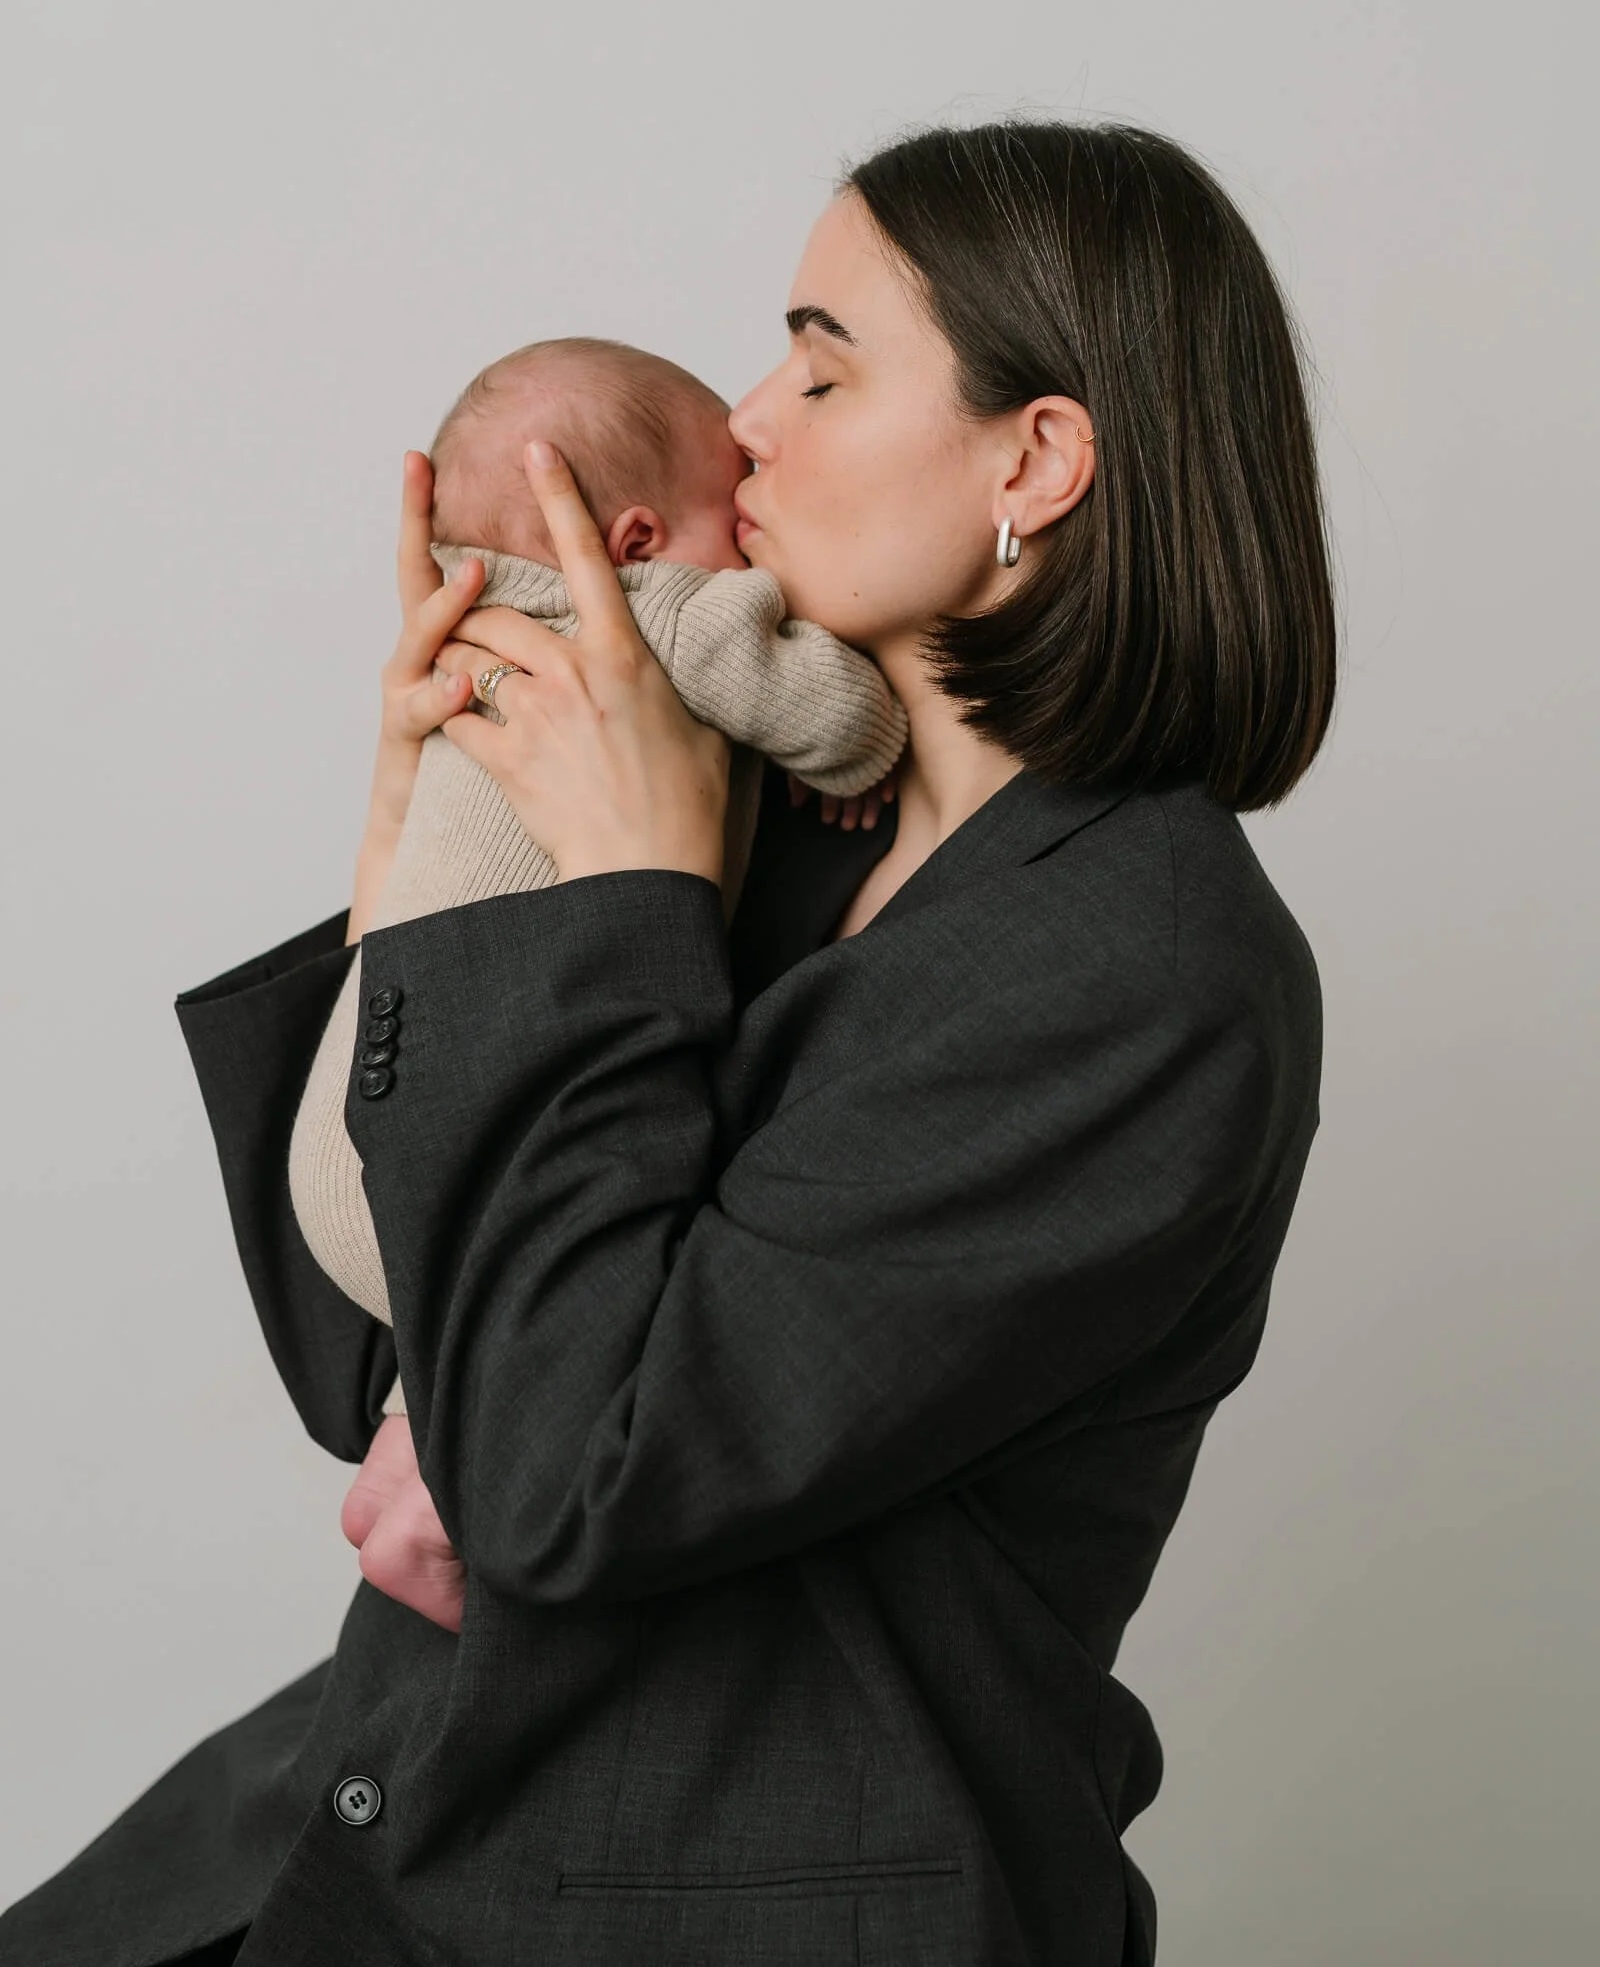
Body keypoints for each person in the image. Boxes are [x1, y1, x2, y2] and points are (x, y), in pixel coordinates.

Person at [0, 117, 1334, 1967]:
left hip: (729, 1901)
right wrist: (418, 854)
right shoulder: (769, 801)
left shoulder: (1145, 966)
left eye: (823, 362)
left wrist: (613, 899)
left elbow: (558, 1471)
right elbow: (380, 1343)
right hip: (377, 1818)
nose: (750, 417)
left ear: (1036, 457)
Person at [292, 331, 906, 1623]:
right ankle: (454, 1472)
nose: (748, 494)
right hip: (474, 1163)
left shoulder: (466, 630)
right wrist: (832, 744)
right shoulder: (658, 613)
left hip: (345, 1125)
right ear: (631, 540)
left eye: (823, 376)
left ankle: (425, 1442)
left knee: (462, 1316)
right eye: (723, 512)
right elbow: (850, 725)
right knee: (501, 1304)